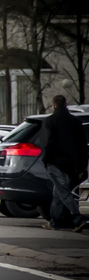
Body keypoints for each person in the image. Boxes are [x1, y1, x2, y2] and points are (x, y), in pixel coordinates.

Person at [40, 95, 89, 232]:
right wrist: (81, 166)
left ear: (53, 105)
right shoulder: (75, 122)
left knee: (64, 193)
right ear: (66, 105)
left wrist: (46, 160)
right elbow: (82, 146)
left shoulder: (50, 121)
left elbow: (46, 143)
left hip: (55, 163)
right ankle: (54, 222)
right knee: (58, 193)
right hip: (71, 164)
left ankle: (79, 219)